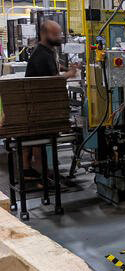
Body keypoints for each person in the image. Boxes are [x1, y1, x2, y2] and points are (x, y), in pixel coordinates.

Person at [22, 20, 79, 178]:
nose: (59, 37)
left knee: (39, 142)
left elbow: (53, 66)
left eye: (59, 33)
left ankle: (32, 171)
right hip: (39, 108)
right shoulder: (40, 54)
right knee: (42, 142)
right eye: (55, 34)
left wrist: (68, 68)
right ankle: (43, 175)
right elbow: (50, 81)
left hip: (42, 106)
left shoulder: (47, 51)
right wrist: (68, 75)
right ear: (44, 34)